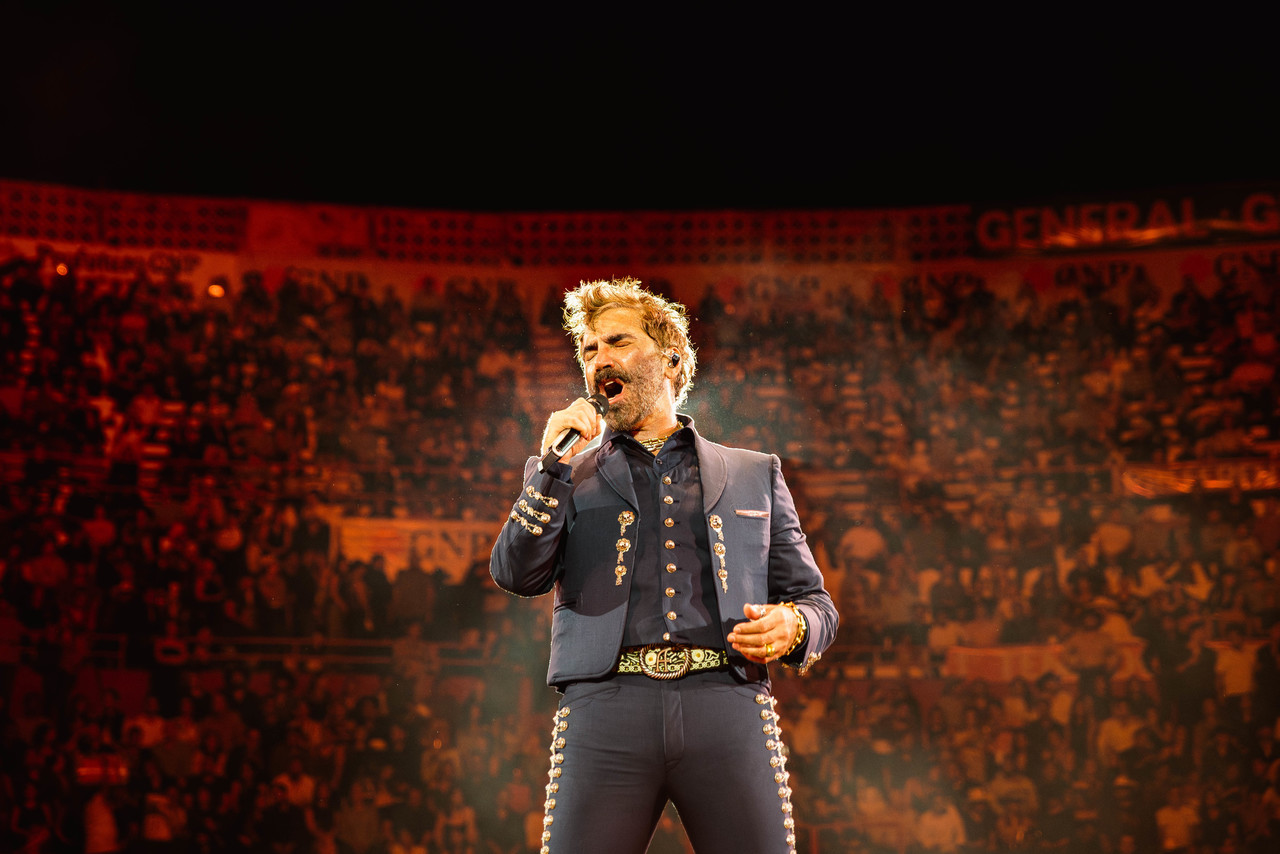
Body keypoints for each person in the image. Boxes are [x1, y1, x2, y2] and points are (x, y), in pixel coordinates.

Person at [490, 277, 838, 854]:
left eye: (617, 342)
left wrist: (794, 626)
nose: (599, 358)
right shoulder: (562, 473)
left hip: (726, 701)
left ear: (671, 358)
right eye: (589, 350)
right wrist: (550, 465)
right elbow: (515, 573)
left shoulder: (754, 472)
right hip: (605, 707)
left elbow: (816, 604)